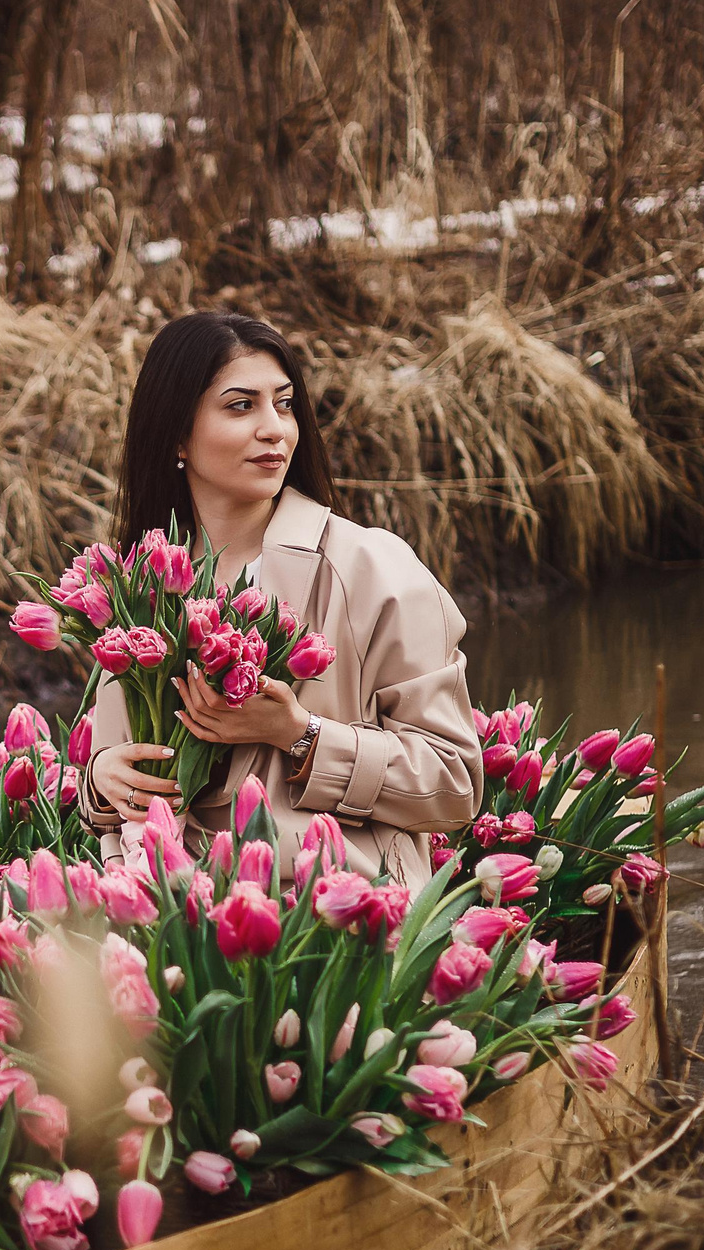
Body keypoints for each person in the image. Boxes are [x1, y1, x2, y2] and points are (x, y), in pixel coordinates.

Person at [80, 309, 482, 886]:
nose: (276, 429)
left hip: (338, 917)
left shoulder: (370, 568)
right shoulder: (139, 589)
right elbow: (121, 788)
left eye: (285, 403)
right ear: (175, 434)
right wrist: (105, 781)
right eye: (241, 406)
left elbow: (455, 786)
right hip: (169, 921)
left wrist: (300, 735)